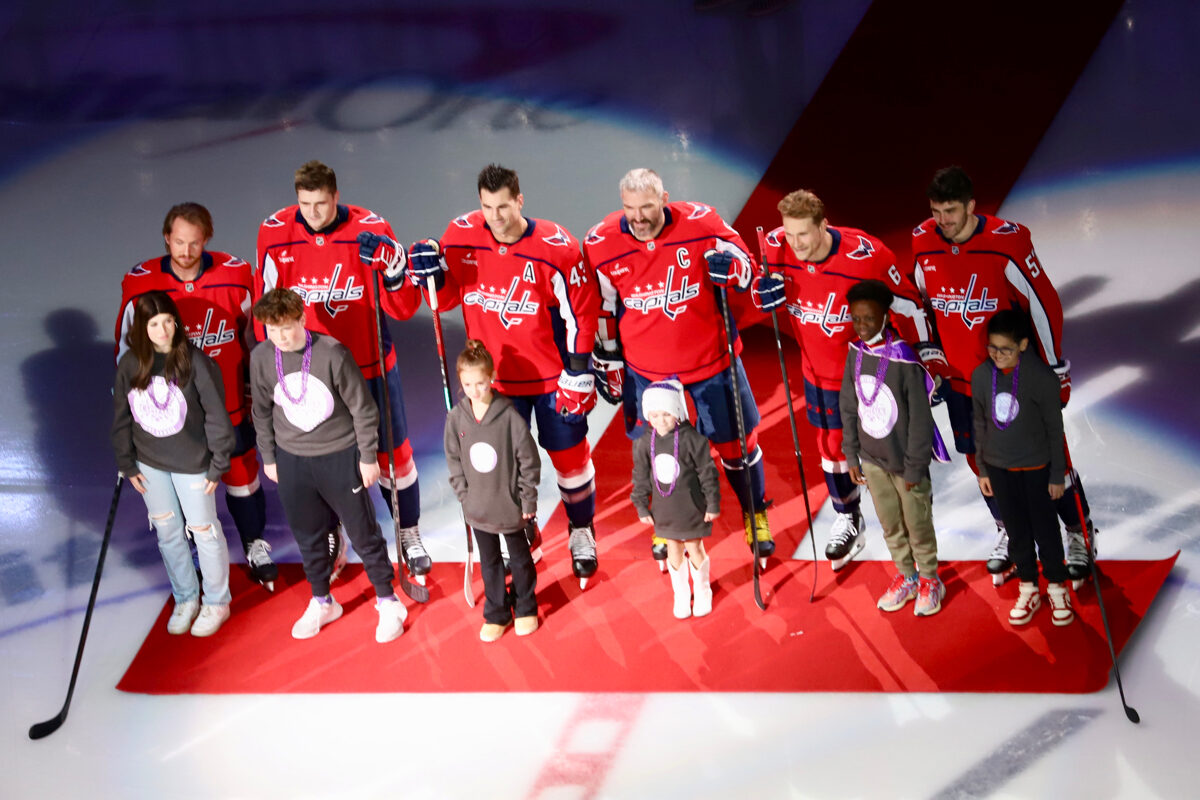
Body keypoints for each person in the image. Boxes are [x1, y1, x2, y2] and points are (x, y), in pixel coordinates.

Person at [408, 164, 600, 587]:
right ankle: (519, 530)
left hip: (551, 379)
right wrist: (431, 272)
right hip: (493, 383)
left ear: (520, 200)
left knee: (569, 458)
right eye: (486, 207)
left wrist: (579, 372)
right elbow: (445, 297)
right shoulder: (460, 236)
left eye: (503, 206)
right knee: (500, 468)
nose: (494, 217)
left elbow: (581, 313)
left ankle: (581, 528)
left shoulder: (557, 245)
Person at [584, 167, 774, 565]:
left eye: (647, 207)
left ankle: (754, 513)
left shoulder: (701, 221)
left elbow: (746, 263)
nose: (638, 218)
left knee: (739, 448)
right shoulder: (601, 241)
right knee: (658, 454)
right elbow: (601, 306)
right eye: (630, 208)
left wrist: (732, 267)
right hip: (647, 374)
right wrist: (607, 355)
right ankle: (665, 522)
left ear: (664, 198)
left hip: (712, 364)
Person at [912, 166, 1093, 585]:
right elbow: (920, 302)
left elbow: (1044, 305)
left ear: (972, 206)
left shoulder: (1006, 242)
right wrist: (929, 356)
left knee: (1050, 459)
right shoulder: (923, 240)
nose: (944, 221)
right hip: (961, 381)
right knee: (983, 464)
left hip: (1013, 379)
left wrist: (1054, 370)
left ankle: (1079, 535)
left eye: (952, 211)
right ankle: (1011, 533)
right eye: (937, 211)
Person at [255, 160, 431, 584]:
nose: (312, 213)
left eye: (320, 203)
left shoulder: (371, 228)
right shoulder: (275, 232)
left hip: (371, 364)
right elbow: (267, 307)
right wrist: (272, 369)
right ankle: (333, 532)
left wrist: (393, 270)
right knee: (324, 460)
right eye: (304, 204)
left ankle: (409, 532)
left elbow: (405, 308)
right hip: (309, 373)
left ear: (336, 197)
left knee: (395, 456)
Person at [753, 190, 932, 570]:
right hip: (817, 372)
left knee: (893, 455)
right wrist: (759, 292)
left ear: (824, 225)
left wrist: (923, 361)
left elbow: (908, 306)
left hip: (870, 374)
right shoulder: (773, 248)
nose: (795, 244)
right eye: (789, 234)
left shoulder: (866, 257)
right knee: (831, 446)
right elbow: (752, 289)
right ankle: (848, 517)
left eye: (803, 234)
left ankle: (915, 532)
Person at [116, 203, 276, 589]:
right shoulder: (140, 283)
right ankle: (190, 551)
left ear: (208, 238)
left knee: (241, 474)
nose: (186, 252)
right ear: (167, 237)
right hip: (169, 412)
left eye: (195, 242)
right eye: (179, 242)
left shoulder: (236, 276)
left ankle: (254, 542)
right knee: (178, 482)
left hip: (229, 401)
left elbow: (254, 337)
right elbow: (126, 349)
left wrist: (261, 390)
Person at [249, 289, 407, 642]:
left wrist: (367, 456)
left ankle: (388, 599)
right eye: (271, 331)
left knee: (363, 532)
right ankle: (322, 600)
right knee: (308, 535)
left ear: (302, 319)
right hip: (292, 460)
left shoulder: (332, 353)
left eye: (286, 328)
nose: (280, 337)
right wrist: (270, 457)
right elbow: (260, 411)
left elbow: (364, 409)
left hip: (339, 454)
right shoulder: (261, 357)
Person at [111, 291, 235, 637]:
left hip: (193, 463)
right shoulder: (130, 365)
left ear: (176, 322)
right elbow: (122, 417)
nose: (163, 329)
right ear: (141, 328)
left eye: (168, 321)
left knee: (204, 531)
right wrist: (127, 462)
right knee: (167, 532)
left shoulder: (195, 361)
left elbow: (216, 416)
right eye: (153, 323)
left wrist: (218, 462)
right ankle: (186, 597)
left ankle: (216, 601)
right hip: (149, 464)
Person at [839, 280, 949, 616]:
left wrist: (916, 466)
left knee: (917, 522)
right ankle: (907, 575)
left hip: (905, 462)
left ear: (886, 317)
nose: (862, 326)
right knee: (890, 523)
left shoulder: (904, 360)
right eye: (856, 319)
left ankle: (930, 577)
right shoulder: (855, 352)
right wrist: (851, 453)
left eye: (869, 319)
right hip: (872, 461)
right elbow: (848, 404)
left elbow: (919, 420)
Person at [972, 310, 1074, 626]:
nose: (997, 355)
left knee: (1045, 530)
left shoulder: (1041, 379)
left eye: (1005, 349)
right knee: (1016, 531)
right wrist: (983, 468)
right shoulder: (980, 376)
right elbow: (979, 422)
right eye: (992, 348)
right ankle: (1029, 586)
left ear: (1024, 344)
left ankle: (1057, 586)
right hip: (1000, 469)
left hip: (1036, 468)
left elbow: (1055, 430)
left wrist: (1057, 474)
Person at [444, 340, 541, 642]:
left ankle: (525, 606)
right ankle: (497, 611)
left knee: (520, 558)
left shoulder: (510, 418)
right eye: (468, 384)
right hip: (478, 508)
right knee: (490, 562)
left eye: (480, 383)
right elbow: (454, 458)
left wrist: (527, 498)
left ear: (492, 377)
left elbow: (529, 460)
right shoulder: (456, 418)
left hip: (510, 506)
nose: (474, 390)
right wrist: (464, 495)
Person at [631, 379, 721, 619]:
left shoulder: (693, 439)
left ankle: (702, 590)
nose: (661, 421)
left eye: (667, 414)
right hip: (665, 510)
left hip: (690, 507)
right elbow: (640, 477)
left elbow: (707, 472)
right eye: (655, 415)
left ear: (677, 412)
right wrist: (641, 505)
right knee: (673, 548)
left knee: (694, 546)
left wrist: (712, 503)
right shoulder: (642, 444)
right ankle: (681, 594)